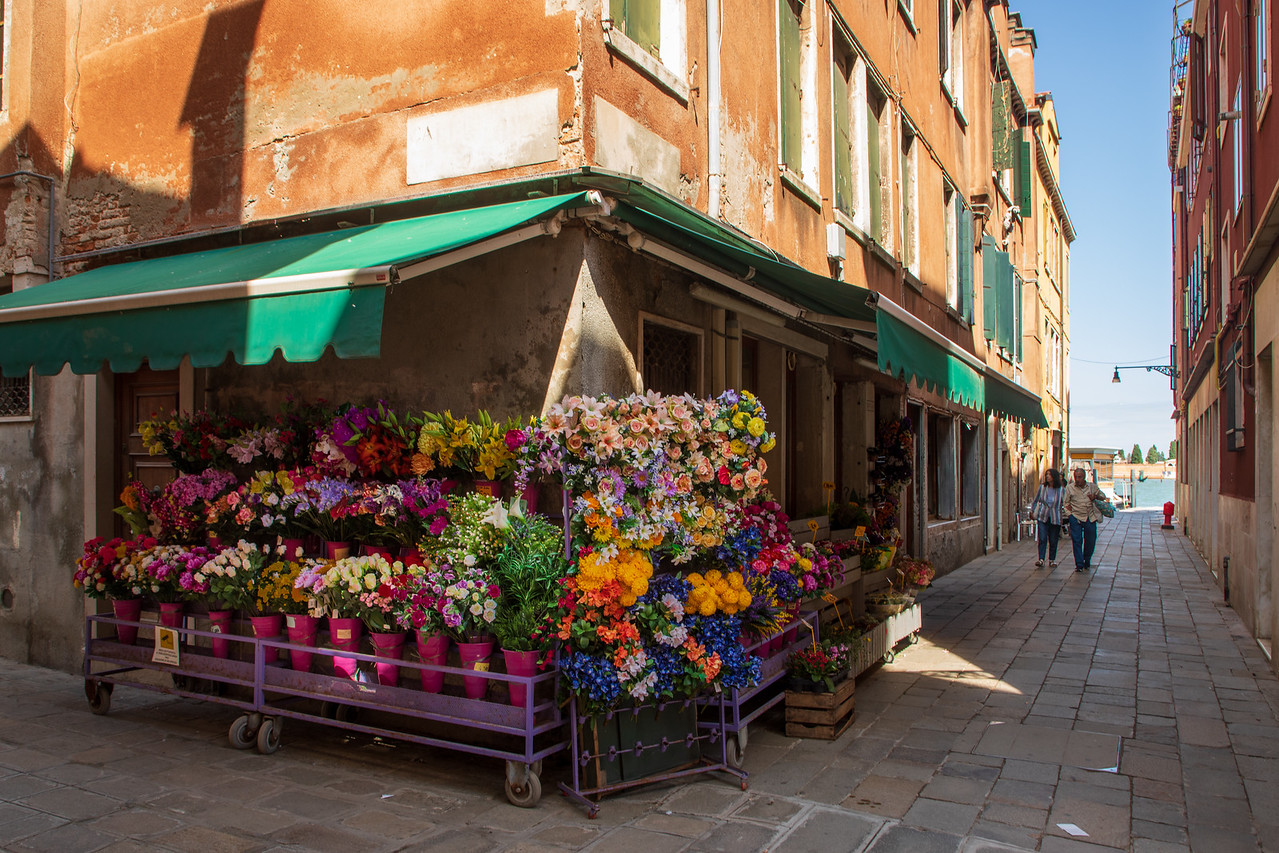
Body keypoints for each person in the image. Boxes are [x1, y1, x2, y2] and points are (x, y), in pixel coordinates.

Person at [1063, 466, 1104, 572]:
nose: (1077, 479)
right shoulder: (1070, 488)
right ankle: (1079, 564)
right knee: (1077, 540)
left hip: (1090, 517)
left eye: (1080, 477)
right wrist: (1070, 515)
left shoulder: (1092, 487)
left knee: (1091, 540)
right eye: (1076, 477)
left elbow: (1103, 496)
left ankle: (1087, 558)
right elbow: (1066, 503)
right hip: (1076, 517)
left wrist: (1095, 497)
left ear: (1084, 477)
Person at [1030, 469, 1064, 568]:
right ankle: (1041, 559)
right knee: (1042, 538)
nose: (1047, 476)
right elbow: (1036, 500)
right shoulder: (1042, 488)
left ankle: (1052, 560)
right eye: (1046, 475)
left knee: (1053, 539)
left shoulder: (1061, 490)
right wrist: (1033, 510)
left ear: (1054, 476)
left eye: (1049, 475)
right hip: (1043, 516)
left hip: (1055, 516)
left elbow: (1065, 502)